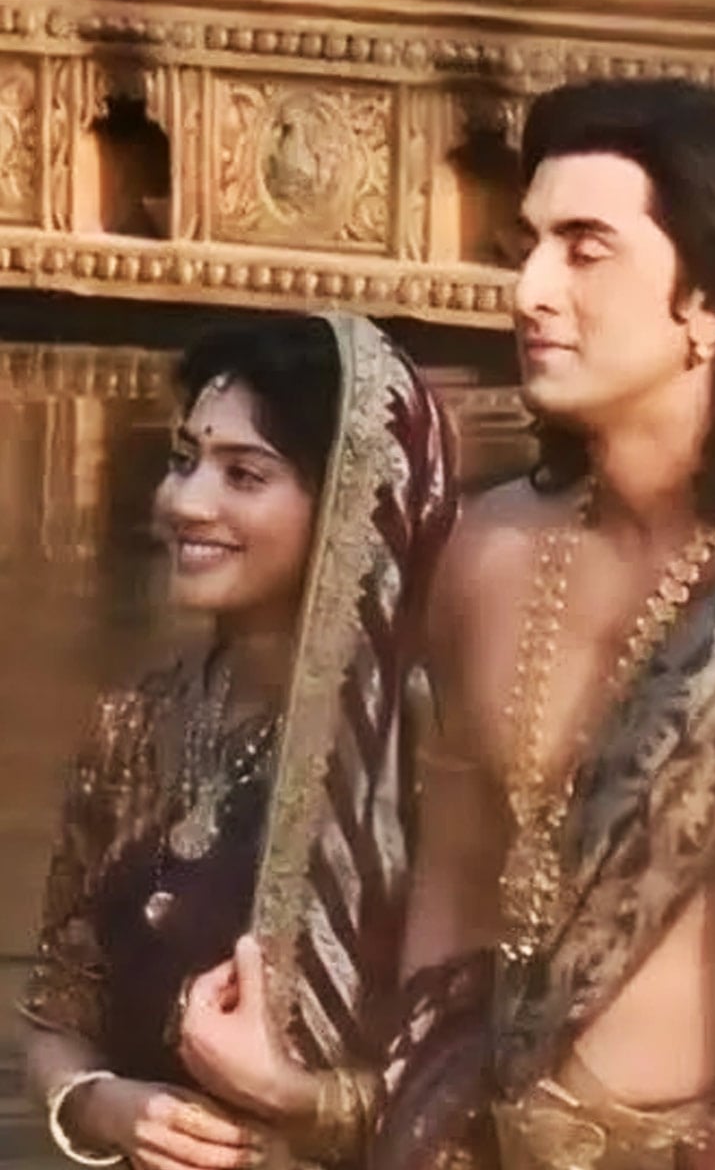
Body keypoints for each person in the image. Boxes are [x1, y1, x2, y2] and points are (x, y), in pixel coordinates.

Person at [372, 78, 715, 1170]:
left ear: (708, 299)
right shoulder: (484, 553)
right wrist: (410, 1107)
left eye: (585, 248)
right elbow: (455, 873)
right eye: (529, 245)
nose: (529, 291)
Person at [19, 312, 456, 1169]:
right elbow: (57, 1013)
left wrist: (304, 1106)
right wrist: (100, 1106)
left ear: (355, 502)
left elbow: (480, 1083)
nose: (185, 502)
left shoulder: (421, 750)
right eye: (183, 460)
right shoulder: (135, 723)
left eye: (244, 474)